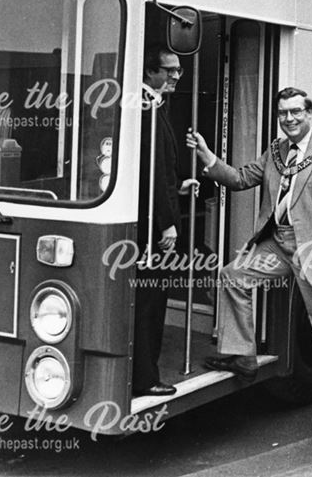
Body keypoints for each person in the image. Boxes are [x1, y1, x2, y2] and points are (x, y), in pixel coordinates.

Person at [187, 87, 312, 437]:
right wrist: (207, 157)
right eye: (283, 114)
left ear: (310, 113)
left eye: (296, 112)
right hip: (278, 244)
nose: (289, 119)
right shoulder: (276, 151)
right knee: (233, 275)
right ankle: (243, 355)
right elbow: (240, 179)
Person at [134, 45, 194, 396]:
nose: (174, 76)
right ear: (149, 72)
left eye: (178, 71)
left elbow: (160, 173)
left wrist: (179, 187)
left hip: (154, 217)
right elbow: (153, 174)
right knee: (151, 303)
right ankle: (146, 378)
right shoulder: (148, 109)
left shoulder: (150, 105)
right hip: (153, 227)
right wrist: (166, 223)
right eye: (168, 70)